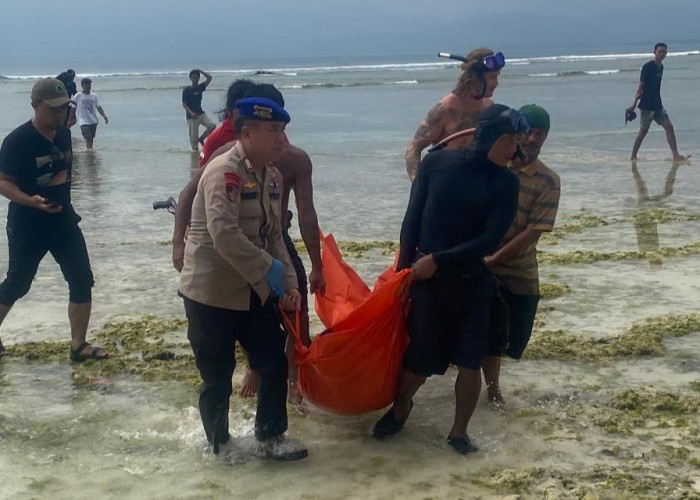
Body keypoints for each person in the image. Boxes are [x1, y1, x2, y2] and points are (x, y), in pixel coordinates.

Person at [372, 104, 524, 454]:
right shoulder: (436, 164)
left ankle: (459, 432)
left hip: (472, 281)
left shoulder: (506, 182)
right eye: (509, 141)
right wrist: (402, 270)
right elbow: (412, 219)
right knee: (419, 359)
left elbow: (490, 239)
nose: (515, 149)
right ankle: (400, 408)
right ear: (489, 139)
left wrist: (438, 260)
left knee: (470, 360)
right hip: (427, 282)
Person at [173, 83, 324, 403]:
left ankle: (293, 381)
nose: (280, 136)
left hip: (272, 240)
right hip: (227, 254)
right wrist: (178, 244)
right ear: (249, 129)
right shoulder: (223, 158)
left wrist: (315, 266)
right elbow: (190, 197)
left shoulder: (291, 161)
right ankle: (253, 369)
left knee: (294, 310)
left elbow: (306, 215)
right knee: (237, 316)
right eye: (273, 129)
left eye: (281, 128)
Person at [0, 78, 106, 362]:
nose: (61, 114)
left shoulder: (63, 135)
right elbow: (3, 182)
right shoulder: (16, 141)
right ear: (35, 106)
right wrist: (29, 200)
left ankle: (78, 345)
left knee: (82, 278)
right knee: (18, 283)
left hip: (63, 221)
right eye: (54, 109)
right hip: (28, 223)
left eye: (64, 108)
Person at [480, 104, 560, 408]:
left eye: (539, 133)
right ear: (515, 134)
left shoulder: (548, 181)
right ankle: (493, 389)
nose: (531, 139)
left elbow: (532, 232)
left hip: (519, 270)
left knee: (514, 341)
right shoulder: (495, 167)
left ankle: (487, 381)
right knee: (489, 336)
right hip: (482, 266)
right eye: (526, 131)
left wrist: (494, 259)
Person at [404, 47, 504, 181]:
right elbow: (413, 148)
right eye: (492, 77)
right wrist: (418, 184)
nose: (496, 83)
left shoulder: (489, 107)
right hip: (447, 188)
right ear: (475, 78)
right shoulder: (444, 110)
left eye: (497, 77)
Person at [628, 43, 690, 162]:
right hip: (646, 105)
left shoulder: (661, 67)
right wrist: (634, 103)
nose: (663, 54)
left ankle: (676, 156)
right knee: (643, 131)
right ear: (654, 52)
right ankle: (633, 156)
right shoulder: (647, 67)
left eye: (665, 52)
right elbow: (641, 85)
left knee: (669, 127)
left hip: (657, 105)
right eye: (660, 51)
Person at [199, 79, 254, 167]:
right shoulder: (216, 139)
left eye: (251, 109)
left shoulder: (263, 133)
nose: (247, 116)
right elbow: (202, 174)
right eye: (241, 111)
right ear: (229, 111)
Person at [69, 78, 108, 150]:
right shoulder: (78, 95)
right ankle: (89, 151)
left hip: (93, 121)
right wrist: (70, 119)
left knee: (91, 138)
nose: (88, 86)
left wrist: (104, 116)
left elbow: (98, 107)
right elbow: (73, 108)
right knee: (88, 137)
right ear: (82, 86)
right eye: (86, 84)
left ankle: (89, 152)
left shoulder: (94, 96)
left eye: (89, 84)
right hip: (83, 121)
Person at [182, 69, 216, 151]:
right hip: (192, 117)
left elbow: (210, 78)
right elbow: (184, 104)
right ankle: (195, 158)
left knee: (212, 126)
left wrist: (201, 71)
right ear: (190, 78)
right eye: (193, 77)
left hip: (200, 113)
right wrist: (191, 112)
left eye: (197, 77)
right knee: (194, 141)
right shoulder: (187, 90)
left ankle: (201, 139)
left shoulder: (200, 87)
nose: (195, 79)